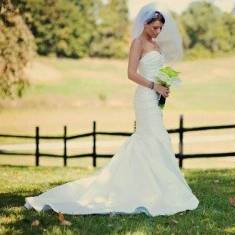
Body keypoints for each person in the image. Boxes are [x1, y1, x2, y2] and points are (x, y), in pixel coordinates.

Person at [24, 2, 199, 217]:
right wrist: (154, 86)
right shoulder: (137, 43)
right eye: (154, 27)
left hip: (155, 99)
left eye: (160, 28)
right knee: (152, 137)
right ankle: (144, 189)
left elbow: (159, 71)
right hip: (144, 97)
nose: (158, 31)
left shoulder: (157, 46)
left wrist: (165, 86)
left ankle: (154, 188)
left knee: (155, 138)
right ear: (144, 24)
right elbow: (131, 73)